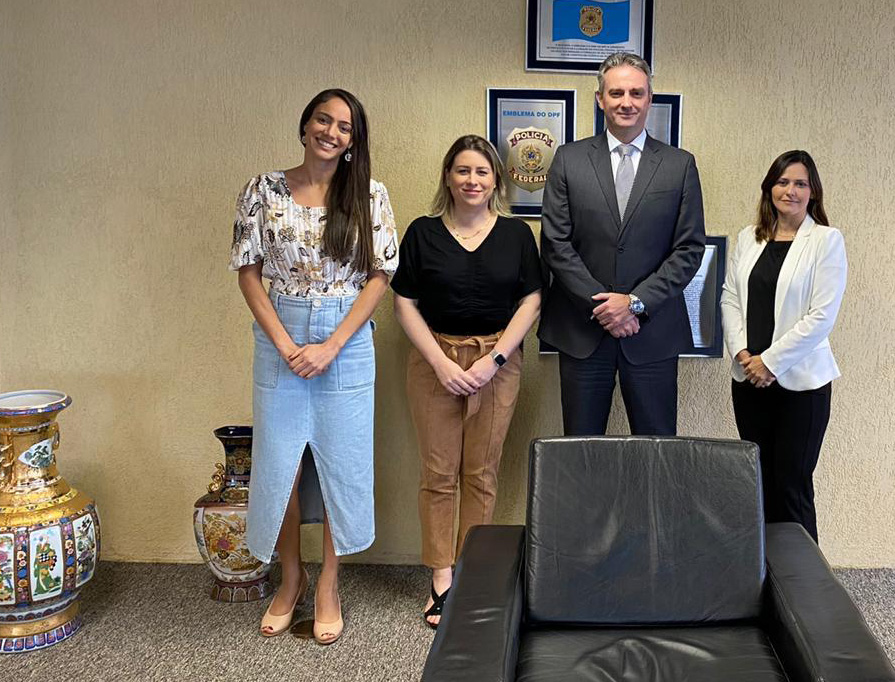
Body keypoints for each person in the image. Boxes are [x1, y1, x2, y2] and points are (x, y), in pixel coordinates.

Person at [229, 88, 398, 644]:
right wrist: (285, 343)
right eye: (324, 120)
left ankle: (328, 583)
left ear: (353, 141)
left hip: (346, 340)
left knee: (340, 465)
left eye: (345, 127)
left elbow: (379, 276)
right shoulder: (263, 189)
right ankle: (291, 577)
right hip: (279, 335)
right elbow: (249, 272)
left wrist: (331, 345)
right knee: (280, 463)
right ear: (305, 126)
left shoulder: (369, 194)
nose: (332, 132)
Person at [392, 135, 541, 629]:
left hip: (497, 364)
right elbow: (404, 303)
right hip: (435, 362)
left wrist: (493, 360)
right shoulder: (423, 232)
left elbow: (531, 301)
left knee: (481, 472)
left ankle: (472, 572)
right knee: (438, 474)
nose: (472, 180)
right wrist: (440, 363)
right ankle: (441, 575)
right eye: (462, 171)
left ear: (496, 180)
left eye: (481, 172)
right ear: (448, 177)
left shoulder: (517, 235)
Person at [539, 52, 705, 436]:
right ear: (600, 99)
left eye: (636, 93)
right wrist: (604, 307)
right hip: (582, 332)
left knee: (655, 451)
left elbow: (688, 248)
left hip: (652, 333)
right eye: (616, 93)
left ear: (649, 98)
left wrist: (633, 303)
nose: (626, 102)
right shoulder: (569, 159)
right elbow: (556, 243)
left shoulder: (679, 165)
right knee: (581, 450)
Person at [720, 150, 847, 543]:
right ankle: (762, 573)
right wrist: (743, 355)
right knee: (758, 483)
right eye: (782, 182)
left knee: (792, 486)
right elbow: (730, 298)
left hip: (801, 386)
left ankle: (803, 578)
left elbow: (821, 316)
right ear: (769, 188)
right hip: (749, 382)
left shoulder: (825, 241)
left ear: (813, 192)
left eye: (800, 183)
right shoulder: (749, 238)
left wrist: (770, 363)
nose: (790, 190)